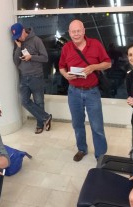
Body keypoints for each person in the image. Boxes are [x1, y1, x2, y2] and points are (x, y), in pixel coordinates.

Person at [59, 19, 111, 161]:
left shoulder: (95, 44)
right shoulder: (66, 48)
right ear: (69, 33)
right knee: (77, 124)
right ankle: (82, 149)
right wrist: (65, 75)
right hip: (73, 91)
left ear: (83, 31)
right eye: (73, 32)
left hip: (92, 92)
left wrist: (93, 67)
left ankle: (100, 155)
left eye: (78, 31)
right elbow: (61, 66)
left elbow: (108, 63)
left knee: (97, 126)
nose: (76, 34)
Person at [11, 22, 52, 134]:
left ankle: (40, 124)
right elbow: (15, 61)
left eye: (20, 35)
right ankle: (46, 117)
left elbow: (45, 58)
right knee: (24, 101)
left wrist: (31, 57)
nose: (19, 38)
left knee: (39, 101)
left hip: (36, 76)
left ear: (24, 30)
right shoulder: (18, 43)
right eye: (16, 37)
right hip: (24, 77)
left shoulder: (36, 40)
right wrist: (18, 48)